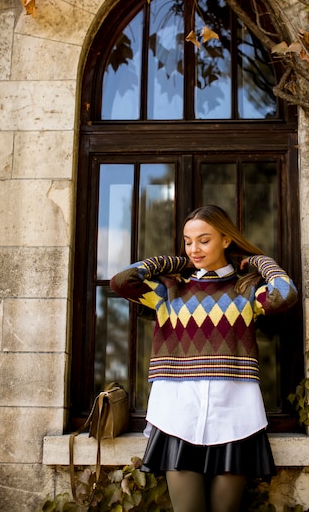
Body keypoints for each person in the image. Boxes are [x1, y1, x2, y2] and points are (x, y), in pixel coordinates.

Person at [110, 205, 298, 512]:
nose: (194, 249)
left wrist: (262, 263)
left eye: (204, 240)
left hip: (235, 412)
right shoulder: (169, 289)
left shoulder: (247, 290)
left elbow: (286, 293)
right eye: (187, 241)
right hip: (177, 413)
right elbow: (122, 280)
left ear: (226, 240)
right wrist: (176, 262)